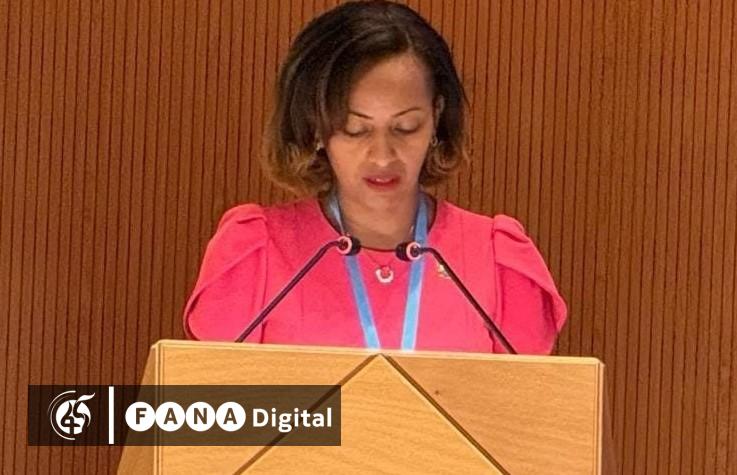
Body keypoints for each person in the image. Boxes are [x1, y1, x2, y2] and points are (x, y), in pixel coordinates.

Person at [183, 0, 566, 354]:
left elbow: (532, 402)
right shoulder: (256, 254)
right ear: (315, 125)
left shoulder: (498, 261)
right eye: (355, 129)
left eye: (406, 127)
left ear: (436, 117)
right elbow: (214, 403)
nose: (383, 156)